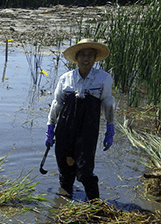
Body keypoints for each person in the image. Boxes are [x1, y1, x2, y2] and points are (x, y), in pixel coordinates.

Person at [46, 39, 115, 201]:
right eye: (82, 55)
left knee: (85, 169)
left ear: (95, 58)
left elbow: (108, 103)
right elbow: (57, 104)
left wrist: (110, 128)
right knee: (65, 165)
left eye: (90, 55)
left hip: (88, 128)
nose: (86, 58)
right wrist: (50, 128)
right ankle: (63, 200)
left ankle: (95, 203)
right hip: (65, 126)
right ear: (76, 59)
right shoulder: (66, 78)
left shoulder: (103, 78)